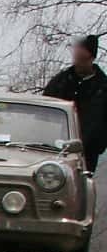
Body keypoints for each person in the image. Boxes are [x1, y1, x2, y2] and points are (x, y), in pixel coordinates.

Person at [44, 34, 105, 172]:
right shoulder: (61, 82)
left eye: (83, 58)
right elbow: (45, 110)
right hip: (55, 148)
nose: (78, 62)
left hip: (88, 152)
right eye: (77, 58)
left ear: (91, 58)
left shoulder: (102, 87)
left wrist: (98, 144)